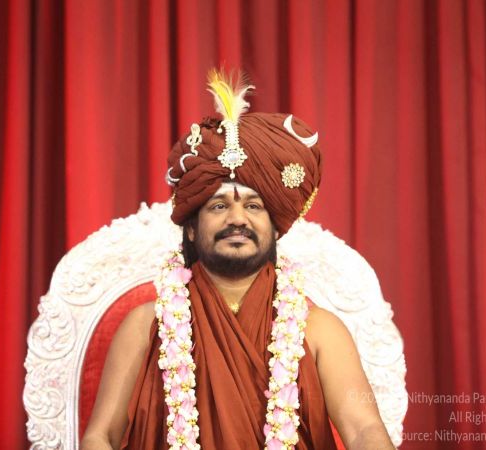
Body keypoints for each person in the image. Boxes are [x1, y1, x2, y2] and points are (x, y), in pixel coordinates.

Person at [81, 70, 395, 450]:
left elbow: (363, 430)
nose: (237, 219)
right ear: (191, 228)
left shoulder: (319, 329)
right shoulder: (146, 324)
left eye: (253, 206)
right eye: (218, 206)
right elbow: (101, 436)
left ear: (276, 228)